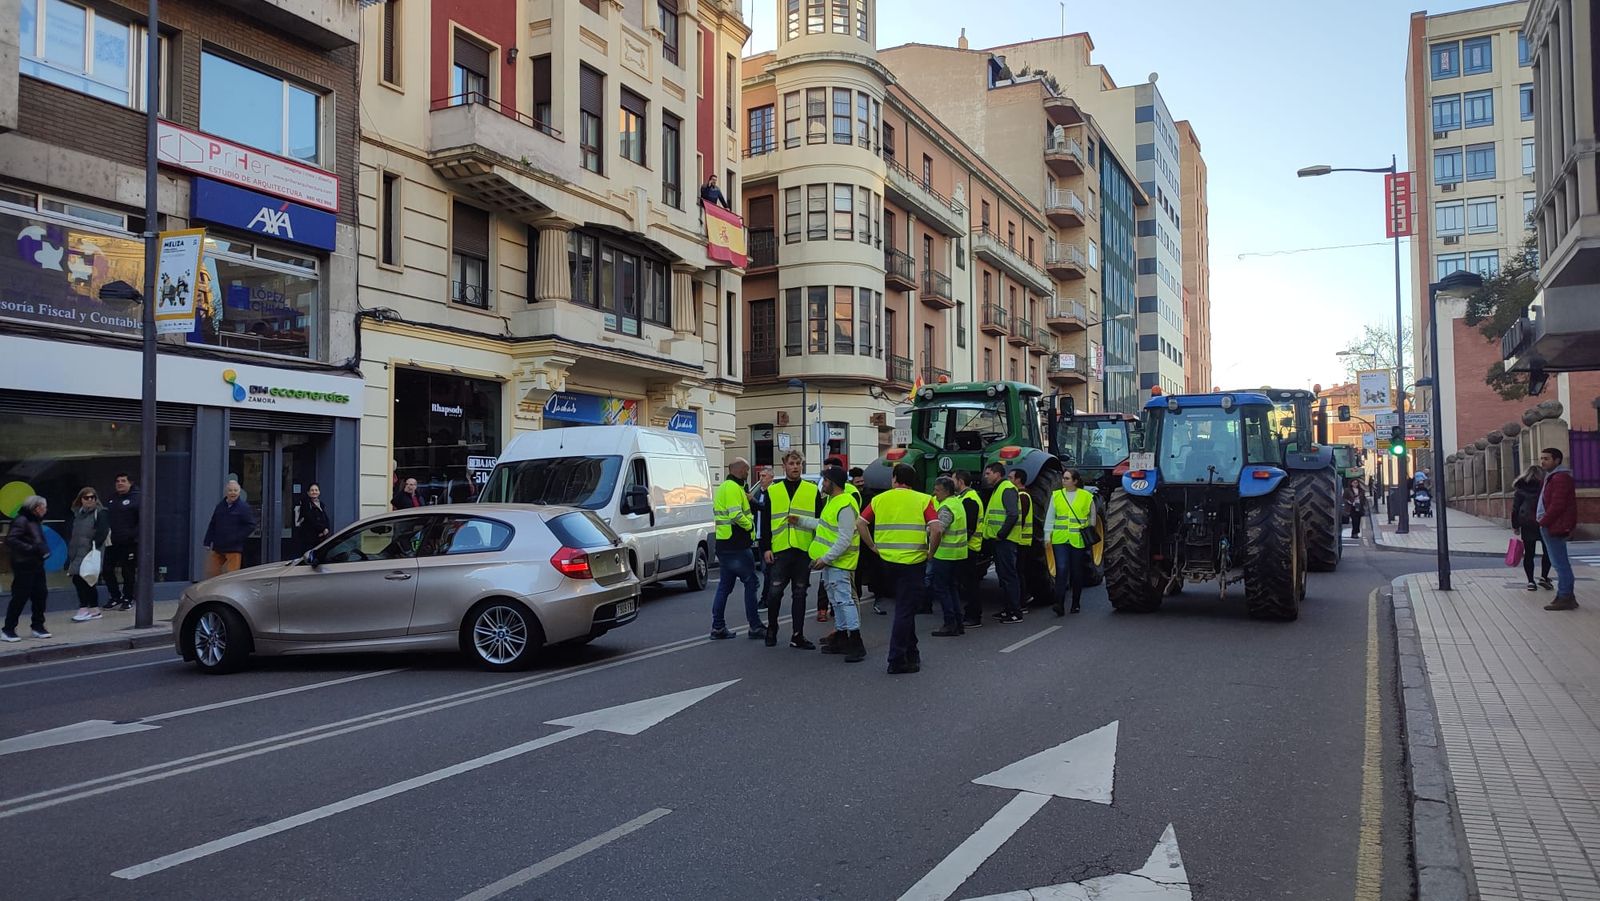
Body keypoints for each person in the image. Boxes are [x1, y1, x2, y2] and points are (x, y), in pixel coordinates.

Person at [856, 463, 937, 674]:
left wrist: (873, 546)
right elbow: (936, 529)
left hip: (886, 562)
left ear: (894, 479)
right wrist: (931, 552)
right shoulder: (923, 499)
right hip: (913, 562)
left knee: (904, 609)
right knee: (904, 610)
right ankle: (896, 659)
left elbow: (861, 523)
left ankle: (912, 652)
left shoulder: (878, 499)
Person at [790, 466, 866, 663]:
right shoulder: (835, 502)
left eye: (825, 480)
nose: (822, 484)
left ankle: (856, 642)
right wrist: (800, 521)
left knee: (844, 600)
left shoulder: (845, 504)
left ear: (833, 482)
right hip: (833, 562)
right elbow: (823, 526)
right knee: (836, 599)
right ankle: (842, 637)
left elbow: (844, 539)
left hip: (840, 562)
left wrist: (825, 559)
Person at [762, 451, 820, 649]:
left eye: (798, 463)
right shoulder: (773, 490)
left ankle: (798, 634)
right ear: (784, 465)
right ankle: (772, 628)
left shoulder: (812, 490)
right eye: (792, 463)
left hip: (803, 549)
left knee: (800, 593)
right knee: (775, 591)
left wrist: (818, 549)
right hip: (780, 548)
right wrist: (766, 547)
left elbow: (820, 522)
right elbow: (766, 521)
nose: (795, 467)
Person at [710, 458, 763, 640]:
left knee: (724, 586)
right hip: (737, 545)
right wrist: (749, 526)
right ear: (740, 471)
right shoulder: (732, 488)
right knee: (751, 583)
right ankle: (755, 626)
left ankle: (718, 627)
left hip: (725, 544)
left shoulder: (726, 487)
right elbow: (736, 514)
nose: (748, 474)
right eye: (747, 471)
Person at [3, 496, 52, 642]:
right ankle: (8, 629)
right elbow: (11, 539)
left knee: (40, 595)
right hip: (24, 564)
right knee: (20, 597)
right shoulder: (22, 520)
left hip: (36, 564)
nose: (46, 510)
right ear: (36, 507)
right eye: (44, 507)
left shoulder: (34, 520)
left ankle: (38, 625)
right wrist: (32, 549)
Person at [981, 462, 1025, 624]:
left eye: (988, 474)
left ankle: (1015, 612)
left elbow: (1012, 514)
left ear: (997, 474)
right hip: (1000, 540)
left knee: (1009, 576)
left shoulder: (1006, 489)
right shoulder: (999, 489)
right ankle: (1008, 609)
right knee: (1004, 576)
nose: (986, 477)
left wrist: (1001, 534)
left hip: (1005, 541)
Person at [1536, 447, 1578, 611]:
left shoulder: (1560, 478)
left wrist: (1543, 521)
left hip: (1554, 525)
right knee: (1559, 561)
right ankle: (1566, 595)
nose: (1543, 461)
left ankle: (1565, 596)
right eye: (1542, 458)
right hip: (1551, 524)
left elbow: (1557, 505)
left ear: (1557, 460)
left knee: (1560, 563)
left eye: (1546, 458)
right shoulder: (1553, 477)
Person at [1048, 469, 1094, 616]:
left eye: (1067, 478)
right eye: (1063, 478)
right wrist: (1046, 535)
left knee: (1076, 572)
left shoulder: (1087, 496)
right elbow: (1050, 517)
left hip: (1077, 540)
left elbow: (1092, 520)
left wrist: (1086, 526)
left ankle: (1075, 603)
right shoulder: (1056, 495)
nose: (1063, 481)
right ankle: (1059, 604)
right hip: (1060, 538)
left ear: (1075, 481)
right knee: (1061, 570)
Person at [928, 477, 969, 637]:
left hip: (945, 555)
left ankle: (950, 624)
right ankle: (958, 623)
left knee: (943, 589)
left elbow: (938, 530)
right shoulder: (957, 502)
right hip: (958, 554)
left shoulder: (946, 508)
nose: (934, 493)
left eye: (937, 490)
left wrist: (930, 549)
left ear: (945, 491)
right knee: (952, 589)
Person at [66, 487, 111, 622]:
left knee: (85, 579)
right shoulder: (78, 514)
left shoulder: (100, 513)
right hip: (77, 551)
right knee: (82, 579)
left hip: (90, 551)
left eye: (93, 497)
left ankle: (85, 607)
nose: (90, 500)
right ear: (81, 499)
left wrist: (94, 546)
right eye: (86, 497)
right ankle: (92, 608)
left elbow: (102, 532)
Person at [1511, 464, 1553, 592]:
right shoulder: (1545, 487)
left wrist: (1515, 526)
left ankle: (1530, 581)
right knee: (1548, 552)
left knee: (1529, 554)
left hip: (1527, 523)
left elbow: (1515, 509)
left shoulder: (1520, 489)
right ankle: (1544, 577)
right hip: (1544, 522)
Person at [203, 480, 257, 578]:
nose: (233, 493)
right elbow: (213, 523)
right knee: (211, 574)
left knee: (231, 576)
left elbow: (251, 525)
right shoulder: (220, 506)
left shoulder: (243, 507)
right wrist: (207, 541)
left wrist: (237, 538)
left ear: (239, 492)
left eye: (235, 490)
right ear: (226, 492)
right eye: (230, 490)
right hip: (218, 547)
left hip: (233, 549)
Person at [102, 472, 140, 612]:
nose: (120, 483)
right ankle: (115, 596)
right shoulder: (112, 499)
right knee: (106, 569)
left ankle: (128, 598)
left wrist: (132, 535)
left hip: (130, 542)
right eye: (117, 481)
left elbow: (142, 521)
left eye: (123, 481)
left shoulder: (137, 498)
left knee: (127, 571)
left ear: (130, 483)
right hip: (113, 542)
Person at [953, 470, 985, 628]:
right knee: (967, 583)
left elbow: (968, 528)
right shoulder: (964, 498)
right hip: (966, 548)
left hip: (968, 548)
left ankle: (973, 615)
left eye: (953, 479)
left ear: (960, 481)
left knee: (970, 584)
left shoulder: (970, 499)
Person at [295, 483, 332, 554]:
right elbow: (310, 519)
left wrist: (327, 528)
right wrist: (322, 529)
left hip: (320, 537)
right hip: (309, 538)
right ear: (308, 493)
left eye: (316, 490)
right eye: (312, 490)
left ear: (319, 492)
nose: (314, 492)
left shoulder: (321, 504)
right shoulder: (305, 503)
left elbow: (325, 518)